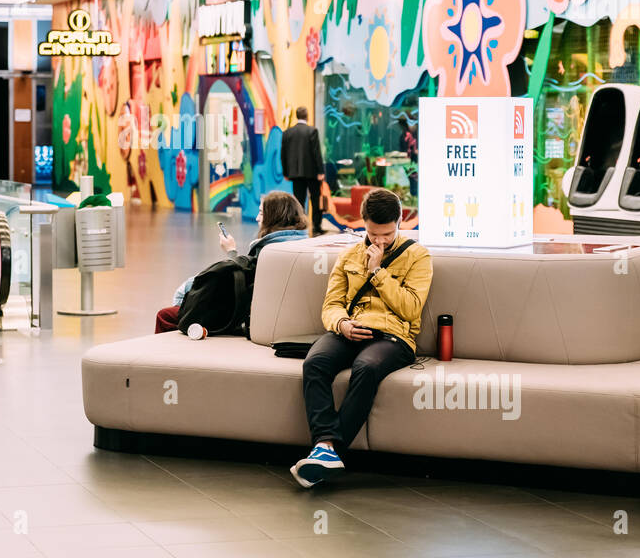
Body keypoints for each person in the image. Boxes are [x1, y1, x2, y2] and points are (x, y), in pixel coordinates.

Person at [291, 189, 433, 488]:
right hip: (349, 331)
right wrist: (341, 324)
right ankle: (326, 449)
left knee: (366, 368)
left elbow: (411, 308)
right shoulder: (348, 255)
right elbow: (331, 305)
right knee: (315, 362)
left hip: (393, 337)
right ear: (363, 224)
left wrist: (378, 272)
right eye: (372, 233)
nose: (379, 241)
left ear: (399, 222)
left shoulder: (417, 256)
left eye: (387, 234)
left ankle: (327, 450)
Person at [154, 190, 310, 332]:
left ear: (273, 217)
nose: (257, 218)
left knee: (166, 315)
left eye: (261, 214)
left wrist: (231, 253)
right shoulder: (302, 245)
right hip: (280, 315)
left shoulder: (269, 252)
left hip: (246, 317)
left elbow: (239, 283)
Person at [281, 106, 324, 236]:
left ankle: (301, 225)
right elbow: (317, 153)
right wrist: (321, 171)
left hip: (294, 173)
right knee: (315, 199)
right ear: (307, 116)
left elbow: (283, 154)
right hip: (312, 173)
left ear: (296, 116)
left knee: (299, 200)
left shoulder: (287, 132)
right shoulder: (312, 131)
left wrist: (286, 172)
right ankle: (316, 226)